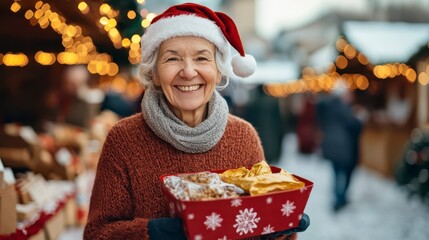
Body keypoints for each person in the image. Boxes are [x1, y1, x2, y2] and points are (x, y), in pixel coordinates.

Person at [83, 3, 309, 239]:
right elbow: (97, 233)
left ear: (218, 71)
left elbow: (261, 218)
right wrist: (150, 232)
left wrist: (279, 229)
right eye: (172, 59)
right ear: (155, 74)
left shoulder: (243, 137)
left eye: (202, 58)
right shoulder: (124, 140)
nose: (189, 72)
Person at [316, 80, 366, 212]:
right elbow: (353, 124)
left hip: (331, 145)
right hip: (342, 146)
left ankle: (339, 198)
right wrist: (360, 119)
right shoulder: (342, 107)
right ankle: (339, 200)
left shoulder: (328, 106)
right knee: (341, 173)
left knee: (336, 172)